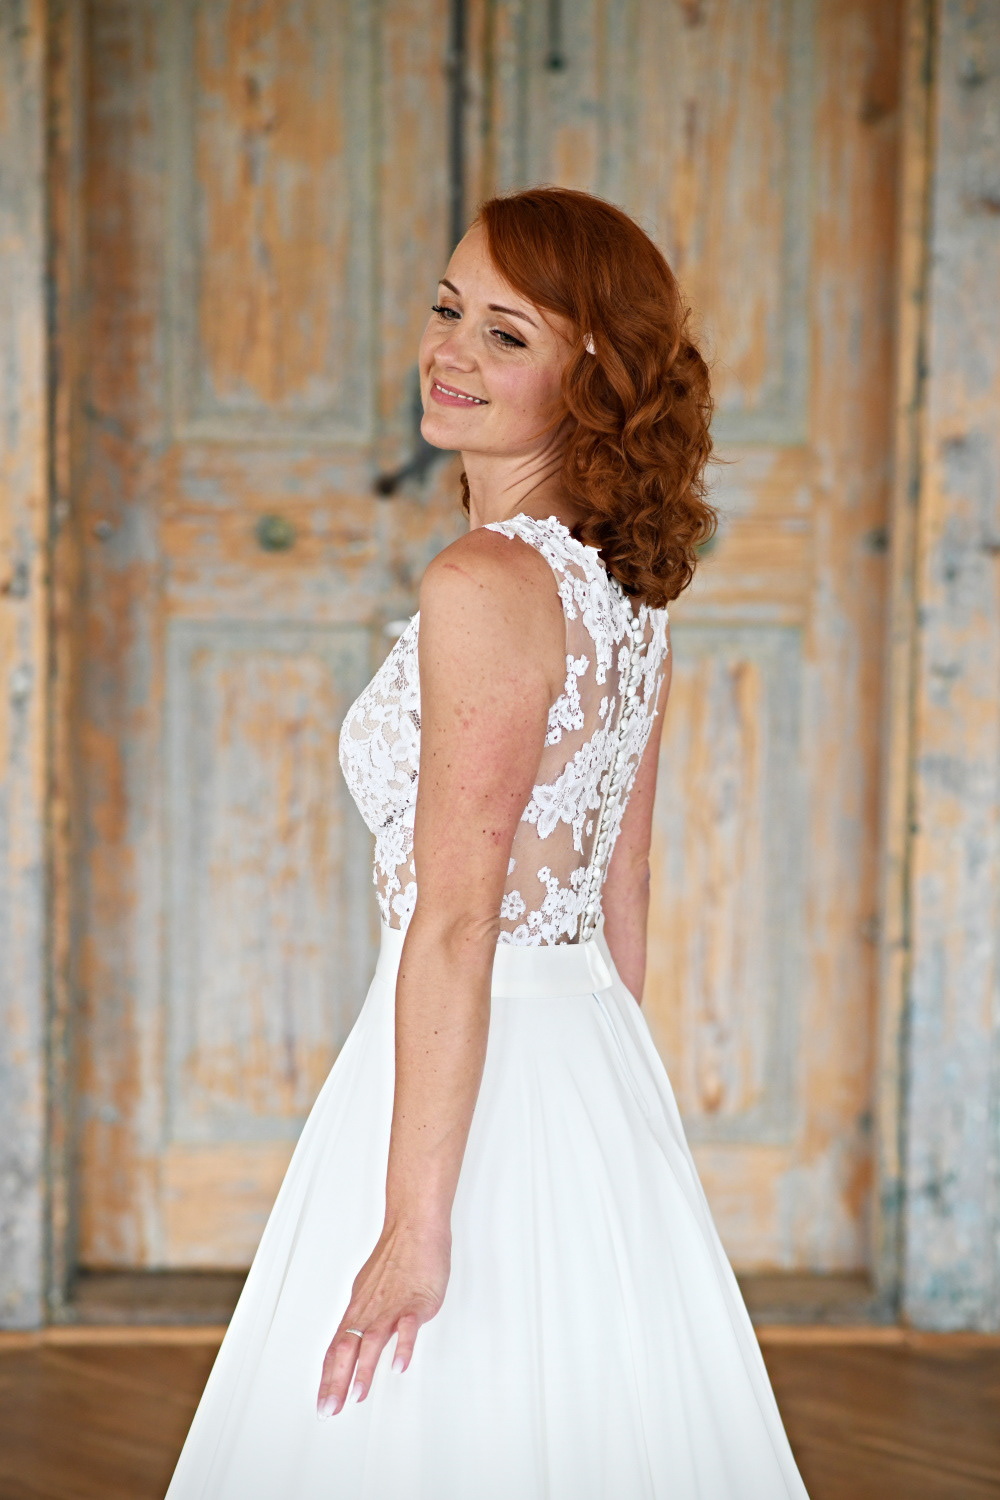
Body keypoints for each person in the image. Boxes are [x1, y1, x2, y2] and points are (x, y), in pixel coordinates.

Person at [165, 187, 811, 1499]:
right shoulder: (627, 586)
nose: (450, 351)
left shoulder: (482, 586)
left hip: (464, 1046)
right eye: (450, 309)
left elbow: (459, 918)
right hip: (583, 1049)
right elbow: (623, 879)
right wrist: (611, 1113)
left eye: (507, 336)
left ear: (591, 381)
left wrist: (414, 1229)